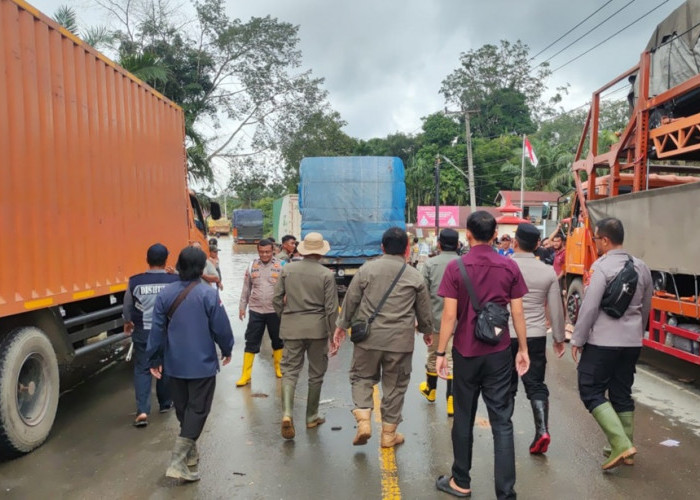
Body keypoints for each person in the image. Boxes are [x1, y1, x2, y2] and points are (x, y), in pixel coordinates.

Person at [434, 210, 530, 500]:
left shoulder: (456, 268)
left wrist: (441, 352)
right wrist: (523, 349)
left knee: (463, 417)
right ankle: (505, 493)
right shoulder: (509, 267)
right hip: (499, 353)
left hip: (465, 352)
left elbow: (449, 316)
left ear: (468, 234)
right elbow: (517, 312)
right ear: (495, 233)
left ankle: (461, 481)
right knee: (502, 421)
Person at [331, 227, 433, 448]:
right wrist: (427, 332)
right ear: (407, 249)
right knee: (395, 385)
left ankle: (364, 421)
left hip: (368, 339)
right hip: (400, 341)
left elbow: (350, 300)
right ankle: (388, 435)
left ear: (382, 247)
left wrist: (341, 327)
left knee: (361, 378)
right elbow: (424, 311)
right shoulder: (414, 275)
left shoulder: (367, 270)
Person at [146, 246, 234, 482]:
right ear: (200, 267)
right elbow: (221, 327)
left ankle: (191, 455)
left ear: (179, 264)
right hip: (201, 363)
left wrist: (153, 358)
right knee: (198, 410)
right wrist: (227, 349)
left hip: (174, 363)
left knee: (184, 410)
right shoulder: (208, 294)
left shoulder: (165, 294)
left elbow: (156, 329)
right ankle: (177, 462)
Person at [571, 217, 652, 470]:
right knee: (621, 391)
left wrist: (577, 339)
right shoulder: (641, 267)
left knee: (590, 388)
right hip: (631, 342)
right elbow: (647, 306)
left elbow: (590, 306)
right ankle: (625, 447)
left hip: (603, 342)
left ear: (605, 240)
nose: (596, 244)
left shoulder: (601, 267)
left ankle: (620, 444)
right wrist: (637, 333)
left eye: (596, 239)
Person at [273, 232, 338, 439]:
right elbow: (331, 308)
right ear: (320, 252)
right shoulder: (326, 275)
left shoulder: (287, 269)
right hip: (317, 330)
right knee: (316, 374)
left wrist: (285, 316)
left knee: (290, 371)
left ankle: (287, 414)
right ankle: (311, 417)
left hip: (291, 327)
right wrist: (333, 334)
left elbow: (276, 298)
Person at [508, 223, 566, 455]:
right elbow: (555, 308)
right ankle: (542, 430)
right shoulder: (547, 271)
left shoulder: (505, 266)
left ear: (515, 242)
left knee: (506, 385)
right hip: (535, 335)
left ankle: (504, 430)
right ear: (536, 246)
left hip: (506, 334)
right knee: (536, 385)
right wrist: (559, 338)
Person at [123, 243, 180, 427]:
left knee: (142, 368)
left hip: (143, 332)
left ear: (147, 260)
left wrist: (128, 322)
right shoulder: (173, 281)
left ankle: (142, 412)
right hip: (165, 332)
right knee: (164, 365)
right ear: (165, 261)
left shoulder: (135, 281)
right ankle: (164, 404)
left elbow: (127, 307)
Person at [419, 228, 460, 416]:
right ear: (458, 244)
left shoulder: (429, 265)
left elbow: (423, 295)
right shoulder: (463, 263)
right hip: (460, 322)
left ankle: (431, 390)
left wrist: (421, 321)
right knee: (452, 360)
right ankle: (451, 399)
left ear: (439, 244)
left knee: (434, 355)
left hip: (436, 319)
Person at [236, 238, 284, 386]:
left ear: (273, 250)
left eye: (268, 252)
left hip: (274, 310)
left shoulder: (281, 266)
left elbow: (288, 288)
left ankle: (278, 368)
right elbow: (246, 288)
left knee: (278, 340)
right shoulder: (252, 266)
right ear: (258, 251)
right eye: (262, 252)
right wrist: (242, 307)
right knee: (251, 341)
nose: (264, 255)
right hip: (256, 310)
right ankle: (246, 375)